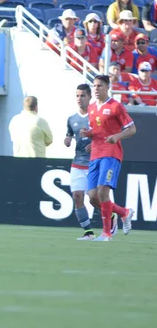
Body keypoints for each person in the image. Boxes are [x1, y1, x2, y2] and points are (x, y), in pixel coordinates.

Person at [79, 75, 136, 241]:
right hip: (95, 153)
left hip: (111, 153)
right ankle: (124, 212)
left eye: (100, 86)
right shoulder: (91, 108)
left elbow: (132, 129)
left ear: (107, 87)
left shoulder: (116, 106)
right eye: (94, 86)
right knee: (92, 197)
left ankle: (106, 233)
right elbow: (97, 129)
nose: (96, 89)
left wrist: (117, 136)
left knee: (103, 191)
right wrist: (89, 135)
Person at [64, 84, 102, 240]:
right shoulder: (71, 119)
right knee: (77, 196)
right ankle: (88, 232)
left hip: (94, 163)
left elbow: (105, 136)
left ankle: (111, 213)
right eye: (77, 96)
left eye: (83, 96)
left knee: (94, 199)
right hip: (77, 163)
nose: (79, 99)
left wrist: (94, 144)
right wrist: (67, 140)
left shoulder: (96, 116)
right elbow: (68, 136)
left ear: (90, 97)